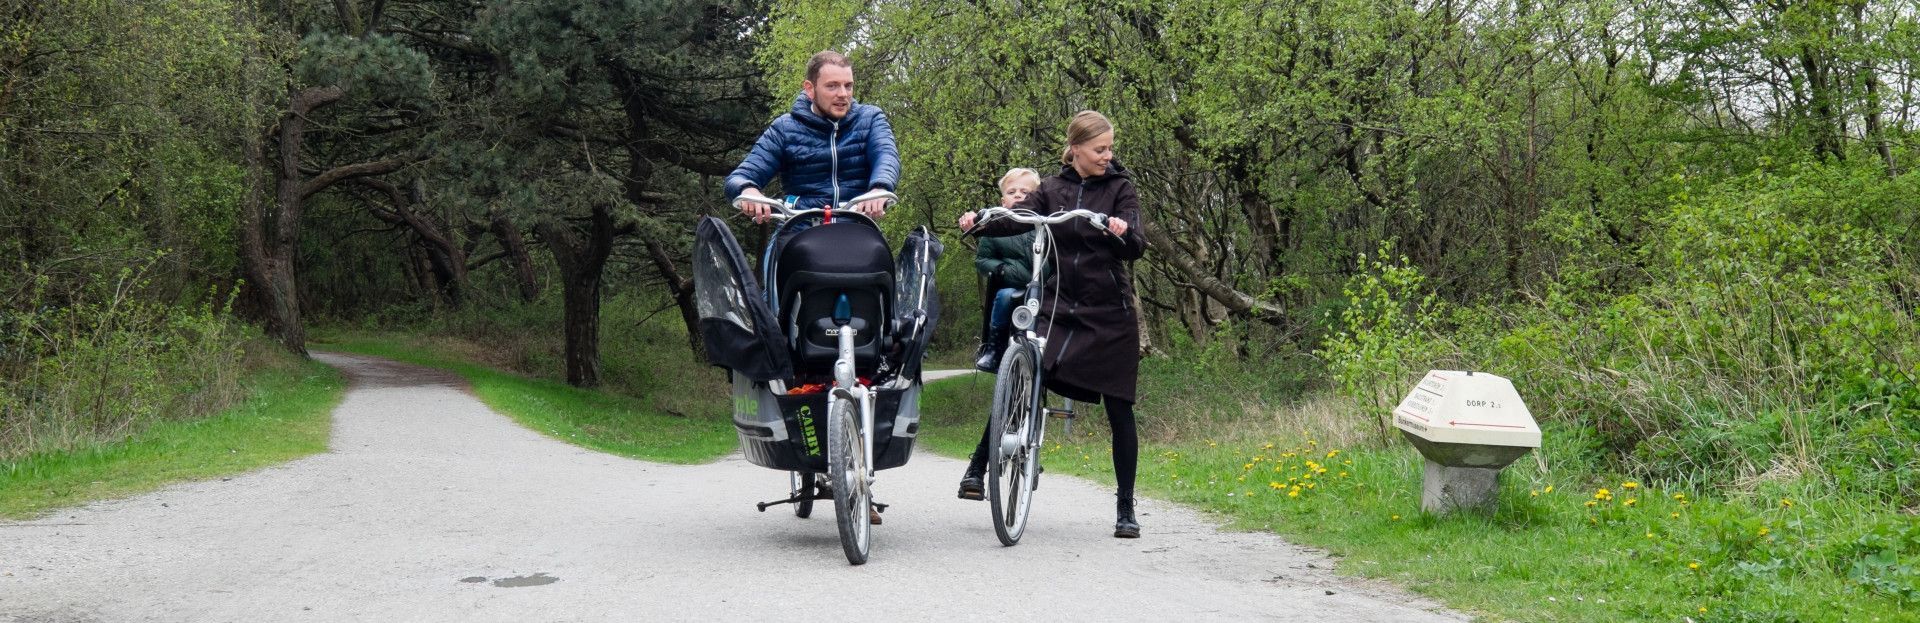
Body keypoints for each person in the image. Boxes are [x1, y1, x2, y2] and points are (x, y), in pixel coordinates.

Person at [956, 111, 1146, 538]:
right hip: (1059, 306)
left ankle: (1125, 508)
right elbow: (1017, 216)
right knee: (1025, 374)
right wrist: (981, 220)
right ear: (1076, 149)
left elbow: (1136, 242)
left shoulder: (1120, 188)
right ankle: (978, 465)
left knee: (1120, 408)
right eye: (1100, 149)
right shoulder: (1053, 189)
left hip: (1108, 312)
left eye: (1110, 149)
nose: (1107, 156)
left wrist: (1120, 229)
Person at [726, 50, 899, 220]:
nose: (843, 94)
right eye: (832, 86)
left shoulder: (870, 119)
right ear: (810, 89)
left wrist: (879, 188)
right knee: (777, 249)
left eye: (848, 86)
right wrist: (748, 190)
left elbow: (886, 155)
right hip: (800, 228)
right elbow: (739, 177)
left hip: (857, 226)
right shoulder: (785, 128)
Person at [972, 168, 1043, 372]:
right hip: (1012, 288)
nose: (1018, 195)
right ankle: (994, 349)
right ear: (1003, 201)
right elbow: (982, 260)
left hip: (1044, 288)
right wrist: (1003, 269)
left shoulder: (1044, 226)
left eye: (1025, 193)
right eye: (1012, 192)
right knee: (1003, 297)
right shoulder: (995, 228)